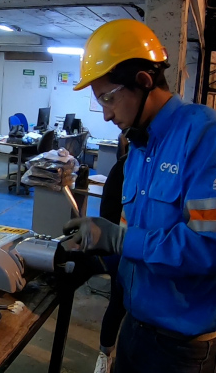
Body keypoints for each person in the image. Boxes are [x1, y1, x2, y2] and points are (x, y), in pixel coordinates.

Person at [68, 19, 216, 373]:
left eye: (108, 97)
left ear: (144, 82)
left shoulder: (208, 135)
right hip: (136, 327)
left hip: (183, 348)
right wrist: (102, 256)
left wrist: (120, 240)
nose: (106, 113)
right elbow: (136, 235)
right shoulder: (139, 146)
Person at [93, 152, 127, 373]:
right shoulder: (125, 167)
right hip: (123, 251)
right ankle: (104, 357)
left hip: (138, 251)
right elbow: (107, 213)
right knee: (118, 304)